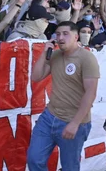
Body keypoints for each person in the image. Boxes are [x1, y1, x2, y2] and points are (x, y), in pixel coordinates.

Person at [27, 21, 99, 171]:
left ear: (76, 37)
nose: (60, 37)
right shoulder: (55, 55)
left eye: (65, 34)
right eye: (58, 34)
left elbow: (90, 93)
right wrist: (44, 53)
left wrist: (75, 123)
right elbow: (35, 77)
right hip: (49, 117)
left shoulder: (87, 58)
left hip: (74, 120)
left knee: (70, 167)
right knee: (34, 159)